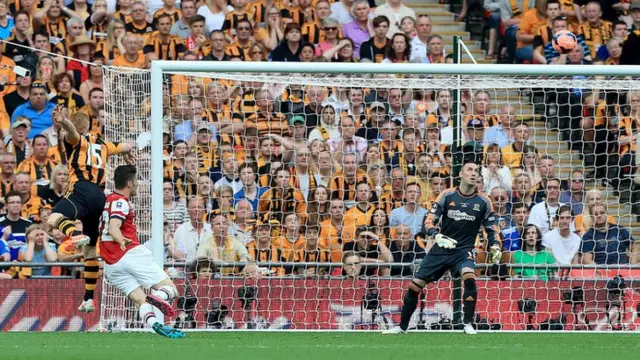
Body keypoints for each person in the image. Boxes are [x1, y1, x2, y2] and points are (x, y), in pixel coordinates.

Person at [383, 161, 501, 335]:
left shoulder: (484, 201)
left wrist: (496, 246)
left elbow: (492, 229)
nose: (474, 173)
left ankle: (467, 324)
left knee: (469, 276)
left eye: (476, 171)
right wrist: (436, 235)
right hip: (441, 248)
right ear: (460, 174)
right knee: (415, 286)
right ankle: (402, 327)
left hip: (464, 250)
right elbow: (429, 221)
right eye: (469, 169)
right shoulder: (447, 195)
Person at [47, 106, 134, 313]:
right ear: (89, 125)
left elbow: (71, 131)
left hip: (81, 188)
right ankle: (88, 299)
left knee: (53, 218)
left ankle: (74, 234)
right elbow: (126, 146)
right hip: (100, 197)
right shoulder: (103, 143)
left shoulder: (76, 140)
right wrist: (126, 155)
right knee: (89, 252)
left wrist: (62, 121)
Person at [99, 165, 184, 338]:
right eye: (136, 181)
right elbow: (114, 227)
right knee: (171, 289)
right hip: (129, 253)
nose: (138, 185)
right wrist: (121, 239)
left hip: (111, 264)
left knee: (140, 300)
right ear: (130, 183)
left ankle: (156, 325)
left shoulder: (107, 200)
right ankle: (159, 297)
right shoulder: (121, 202)